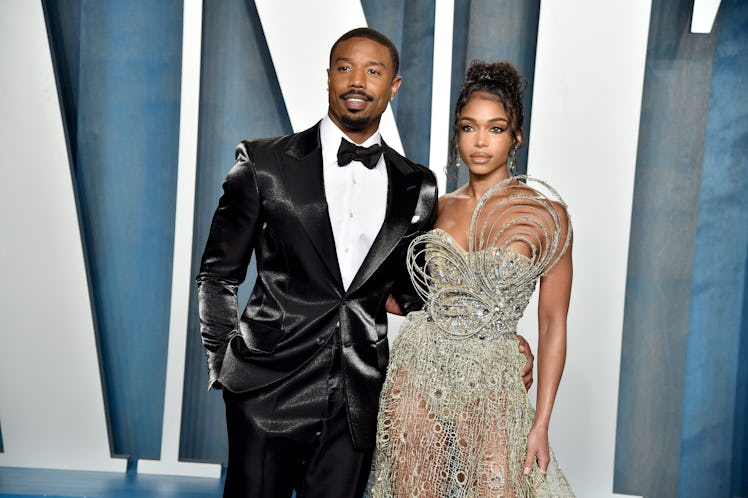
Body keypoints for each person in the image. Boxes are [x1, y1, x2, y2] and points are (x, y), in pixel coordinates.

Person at [197, 28, 534, 498]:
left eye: (373, 71)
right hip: (267, 390)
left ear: (393, 86)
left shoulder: (417, 185)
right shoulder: (263, 162)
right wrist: (228, 368)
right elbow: (217, 275)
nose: (357, 81)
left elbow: (414, 293)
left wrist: (494, 332)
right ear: (329, 77)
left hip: (357, 401)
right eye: (345, 68)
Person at [370, 60, 575, 497]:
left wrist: (541, 424)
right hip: (418, 370)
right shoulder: (434, 207)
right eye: (469, 127)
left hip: (494, 381)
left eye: (496, 128)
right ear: (457, 135)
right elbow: (391, 288)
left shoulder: (548, 215)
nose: (480, 141)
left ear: (515, 136)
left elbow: (553, 323)